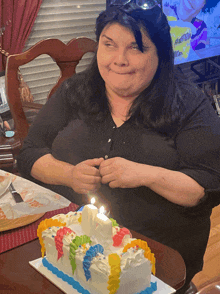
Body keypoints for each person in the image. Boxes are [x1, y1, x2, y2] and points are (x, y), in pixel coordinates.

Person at [17, 1, 220, 293]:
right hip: (74, 257)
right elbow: (30, 153)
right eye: (109, 44)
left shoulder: (188, 104)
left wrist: (146, 175)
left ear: (160, 54)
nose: (119, 59)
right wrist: (69, 174)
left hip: (156, 265)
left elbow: (209, 186)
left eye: (136, 48)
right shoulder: (74, 91)